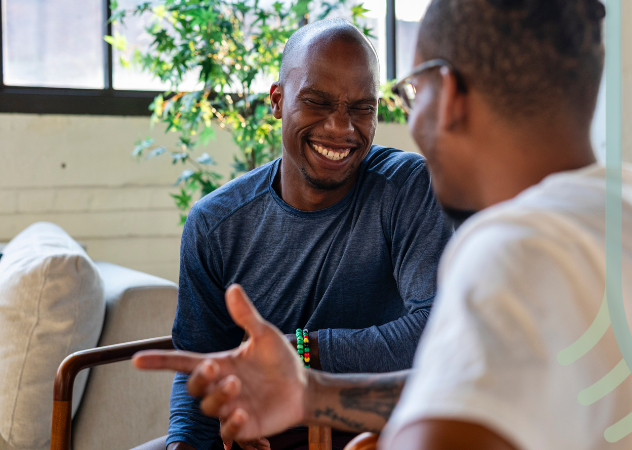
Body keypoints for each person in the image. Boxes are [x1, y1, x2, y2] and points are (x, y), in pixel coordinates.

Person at [133, 0, 632, 449]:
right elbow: (481, 390)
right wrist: (314, 391)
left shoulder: (520, 251)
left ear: (445, 94)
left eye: (406, 94)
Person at [133, 18, 454, 450]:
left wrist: (301, 350)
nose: (341, 128)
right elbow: (200, 368)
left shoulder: (408, 188)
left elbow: (433, 334)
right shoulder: (215, 224)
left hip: (370, 436)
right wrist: (183, 445)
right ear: (277, 100)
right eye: (317, 102)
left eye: (362, 107)